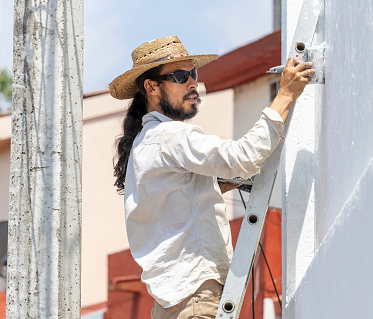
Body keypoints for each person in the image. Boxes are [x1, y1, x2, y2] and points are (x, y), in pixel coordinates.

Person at [110, 36, 314, 318]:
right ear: (152, 87)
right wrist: (286, 95)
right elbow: (243, 157)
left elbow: (183, 195)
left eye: (193, 73)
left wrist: (222, 183)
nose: (193, 83)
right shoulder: (170, 136)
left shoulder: (145, 143)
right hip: (196, 299)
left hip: (173, 304)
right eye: (181, 76)